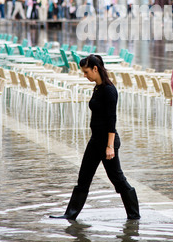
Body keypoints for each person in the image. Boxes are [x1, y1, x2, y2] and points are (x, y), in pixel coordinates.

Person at [50, 54, 140, 221]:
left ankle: (134, 215)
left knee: (118, 179)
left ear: (95, 69)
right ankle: (70, 214)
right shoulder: (97, 88)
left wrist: (110, 146)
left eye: (86, 72)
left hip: (107, 142)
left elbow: (112, 120)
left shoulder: (109, 90)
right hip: (95, 141)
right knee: (83, 177)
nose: (85, 75)